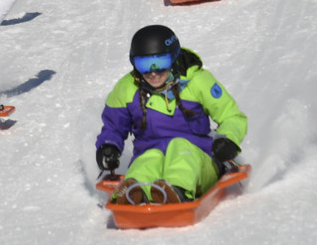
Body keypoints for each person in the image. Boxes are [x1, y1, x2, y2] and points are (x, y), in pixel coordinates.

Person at [95, 24, 247, 205]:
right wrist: (108, 146)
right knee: (148, 157)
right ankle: (132, 192)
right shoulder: (127, 88)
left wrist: (227, 139)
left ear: (173, 59)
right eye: (144, 65)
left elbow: (231, 116)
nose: (153, 72)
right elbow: (113, 126)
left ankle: (176, 190)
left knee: (180, 147)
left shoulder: (197, 81)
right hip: (151, 158)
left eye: (160, 64)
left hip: (200, 163)